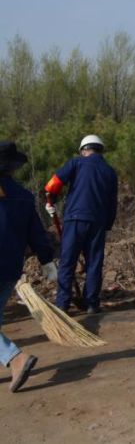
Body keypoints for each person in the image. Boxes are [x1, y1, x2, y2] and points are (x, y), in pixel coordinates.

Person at [0, 141, 57, 392]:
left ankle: (15, 358)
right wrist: (46, 260)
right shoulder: (23, 196)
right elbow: (37, 233)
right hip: (11, 268)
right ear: (13, 168)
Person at [43, 134, 118, 314]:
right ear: (101, 151)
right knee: (94, 264)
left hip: (75, 220)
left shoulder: (76, 163)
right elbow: (112, 203)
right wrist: (107, 226)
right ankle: (92, 303)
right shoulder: (109, 171)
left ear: (84, 150)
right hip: (98, 223)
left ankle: (62, 303)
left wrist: (50, 201)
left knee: (68, 261)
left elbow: (53, 184)